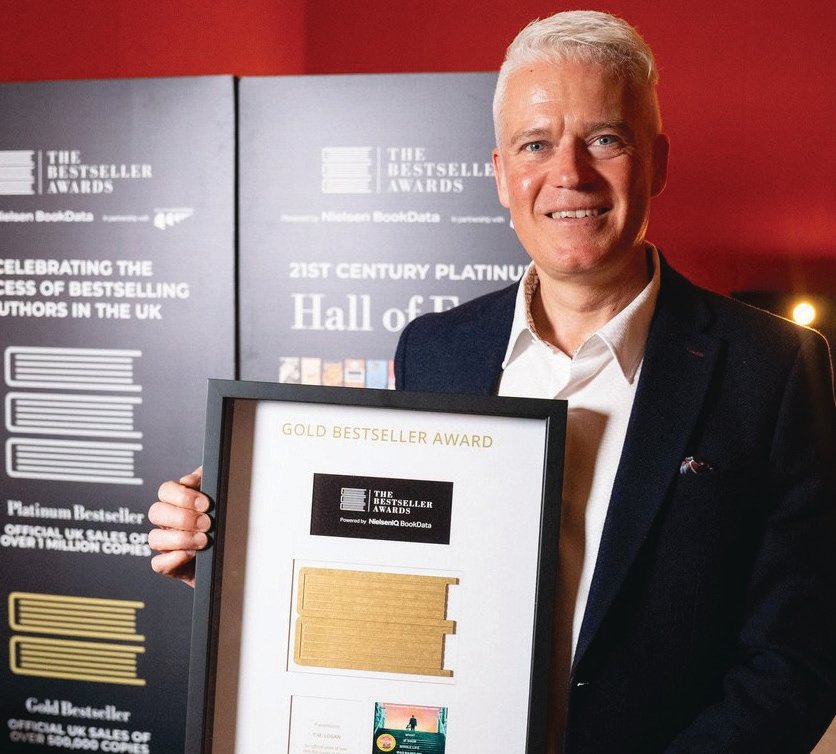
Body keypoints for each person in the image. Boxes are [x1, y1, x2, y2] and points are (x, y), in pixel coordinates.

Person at [148, 10, 835, 752]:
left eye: (605, 139)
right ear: (502, 174)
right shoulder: (434, 350)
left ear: (657, 162)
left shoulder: (773, 367)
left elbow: (794, 662)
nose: (569, 174)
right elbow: (398, 569)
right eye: (536, 144)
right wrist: (238, 564)